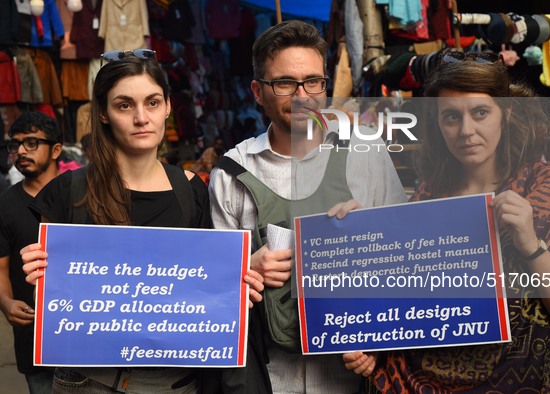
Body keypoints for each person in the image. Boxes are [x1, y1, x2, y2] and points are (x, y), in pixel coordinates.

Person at [343, 51, 550, 392]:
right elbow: (407, 310)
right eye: (451, 117)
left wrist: (531, 246)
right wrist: (360, 238)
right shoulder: (429, 194)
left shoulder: (545, 190)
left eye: (480, 112)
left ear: (505, 113)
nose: (466, 131)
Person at [20, 50, 264, 393]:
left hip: (173, 382)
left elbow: (203, 288)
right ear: (103, 113)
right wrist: (37, 277)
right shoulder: (67, 190)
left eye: (151, 103)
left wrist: (237, 282)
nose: (140, 117)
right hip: (86, 380)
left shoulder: (192, 189)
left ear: (167, 106)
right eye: (124, 105)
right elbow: (51, 304)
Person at [208, 20, 407, 393]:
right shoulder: (231, 173)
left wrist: (379, 345)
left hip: (348, 376)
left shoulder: (365, 153)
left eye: (313, 81)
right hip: (268, 378)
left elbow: (403, 262)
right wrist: (243, 267)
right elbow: (215, 296)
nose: (302, 96)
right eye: (285, 83)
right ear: (257, 91)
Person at [0, 111, 63, 393]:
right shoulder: (6, 204)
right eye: (15, 145)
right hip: (32, 337)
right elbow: (1, 267)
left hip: (82, 332)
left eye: (32, 143)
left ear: (56, 150)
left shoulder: (83, 193)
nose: (21, 151)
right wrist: (5, 302)